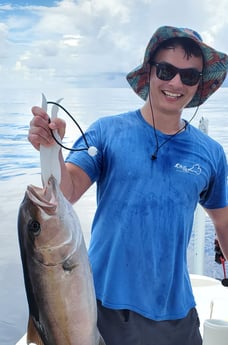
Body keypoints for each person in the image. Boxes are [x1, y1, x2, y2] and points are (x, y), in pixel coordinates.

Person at [28, 26, 228, 345]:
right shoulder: (108, 132)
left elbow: (223, 221)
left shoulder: (210, 153)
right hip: (104, 307)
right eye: (166, 70)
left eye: (189, 76)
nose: (176, 82)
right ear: (149, 72)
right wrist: (51, 148)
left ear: (199, 84)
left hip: (175, 312)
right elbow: (67, 191)